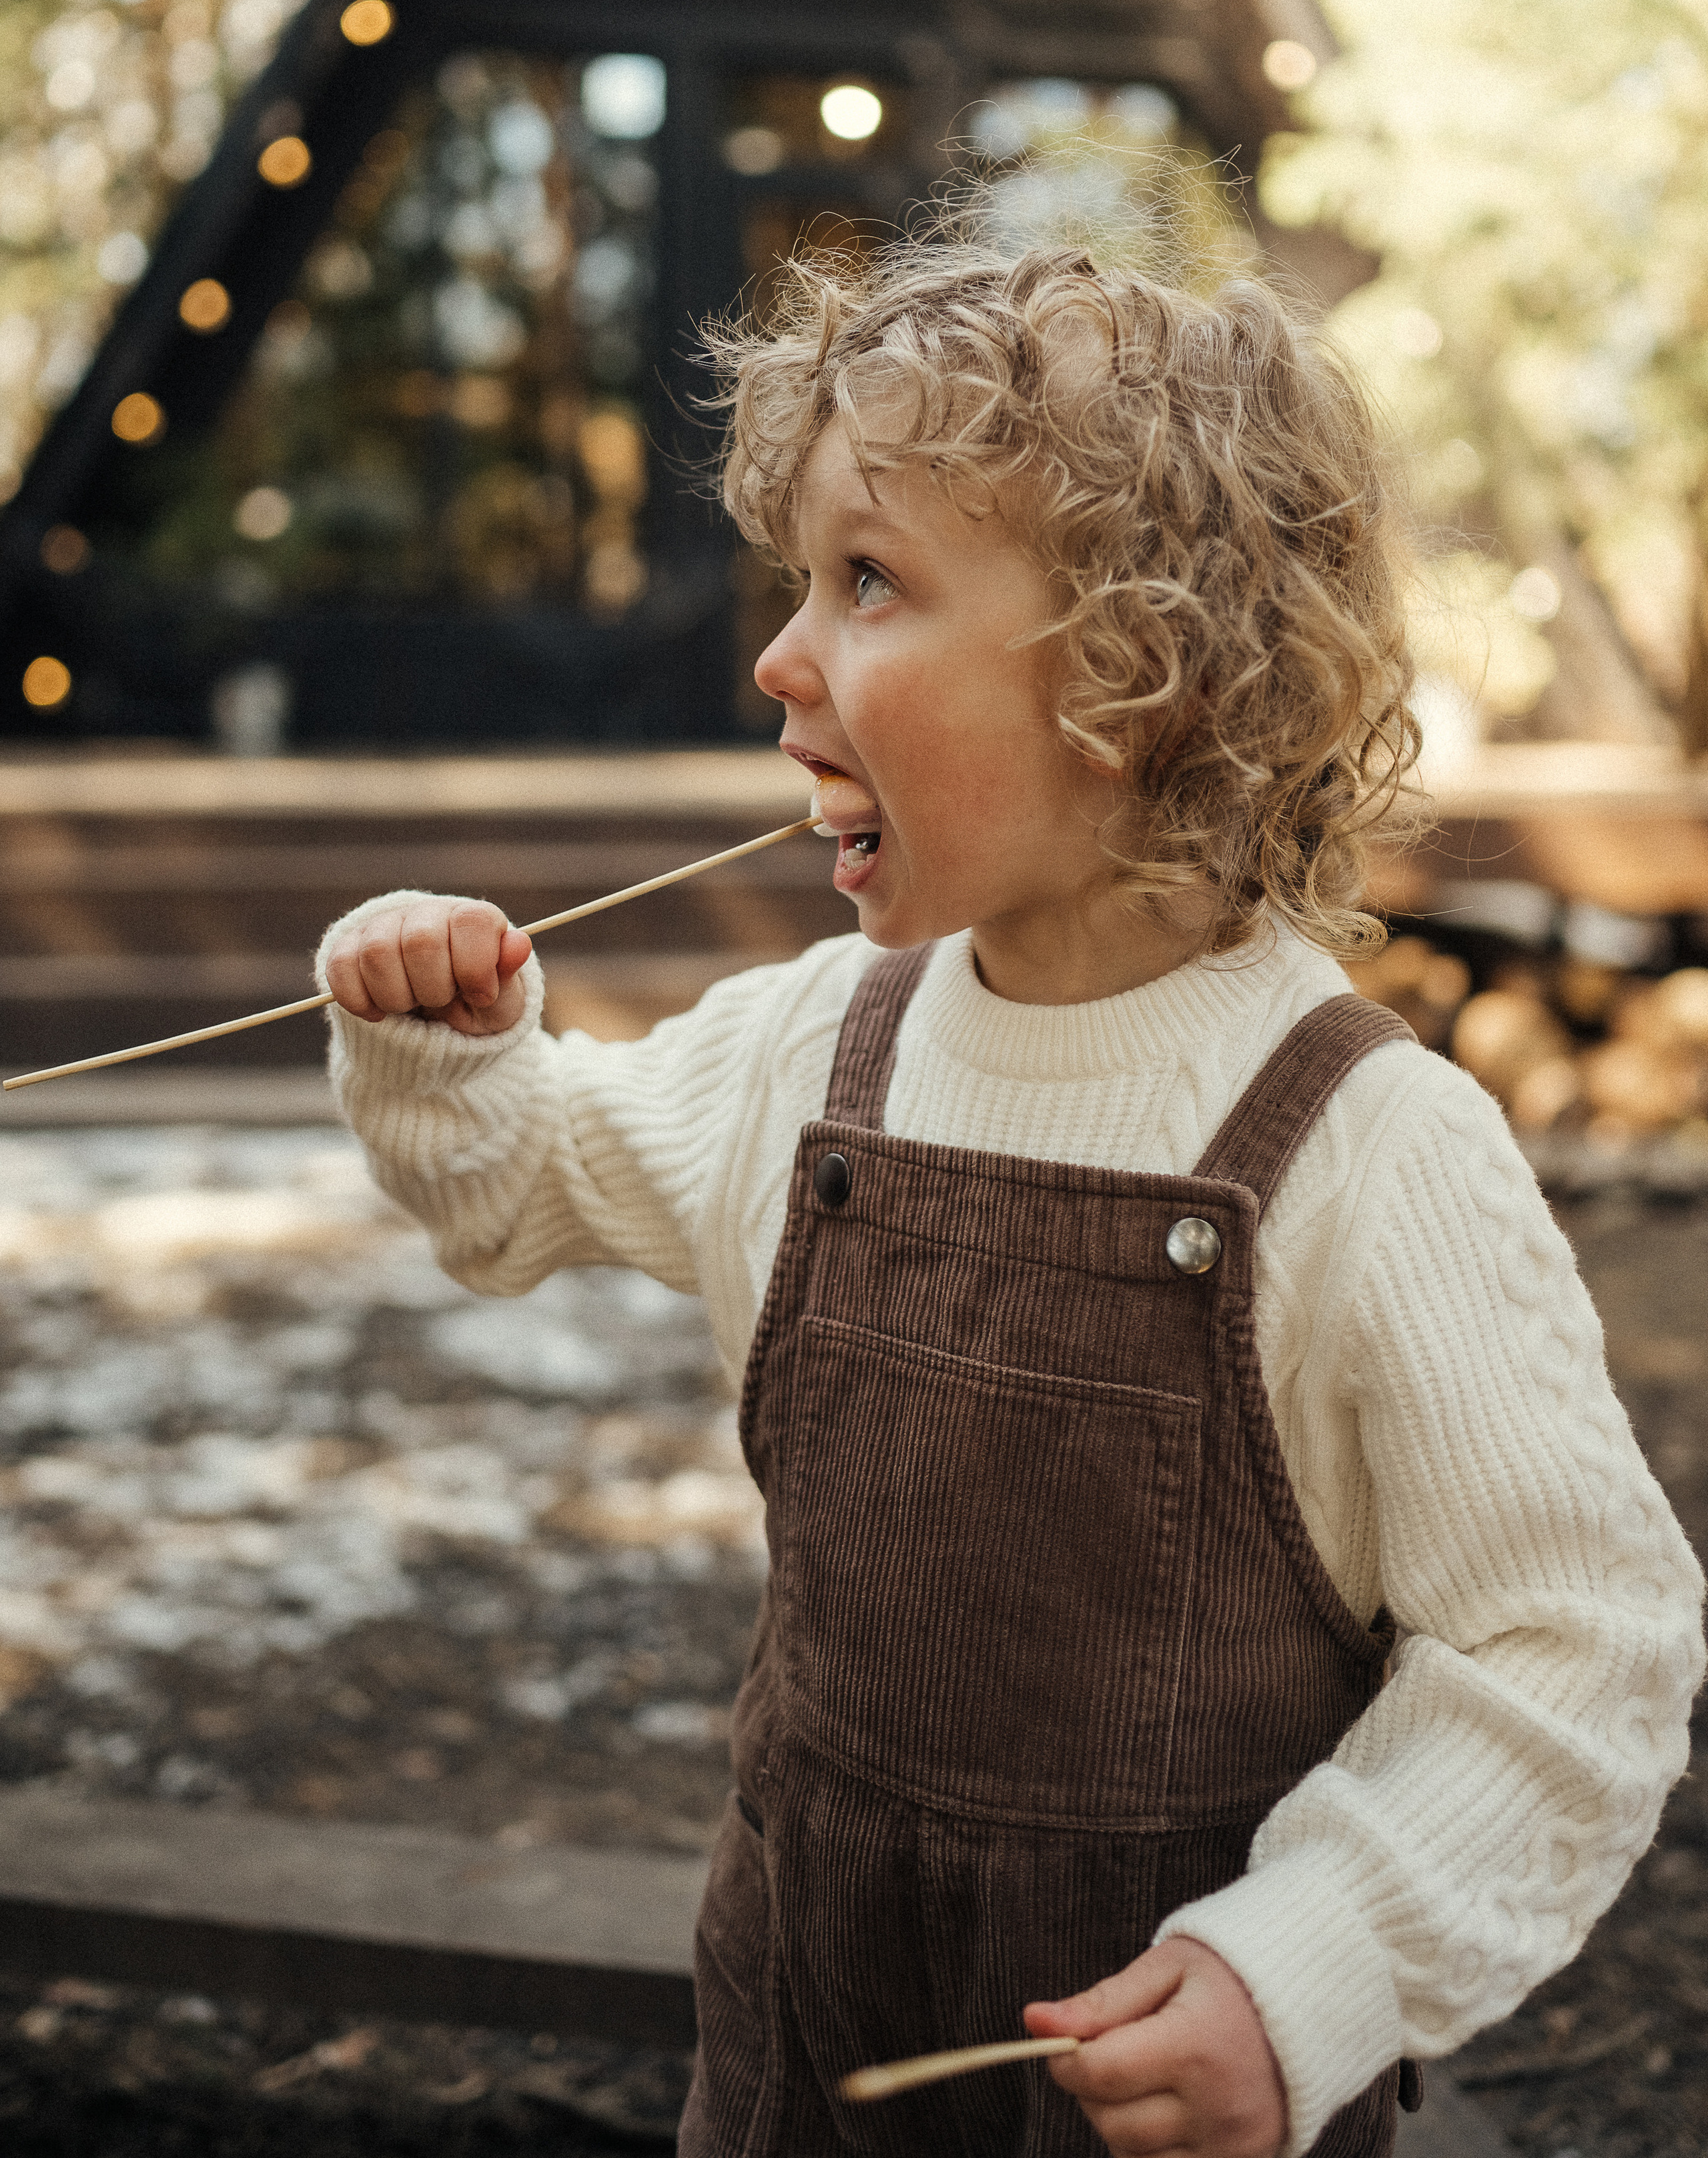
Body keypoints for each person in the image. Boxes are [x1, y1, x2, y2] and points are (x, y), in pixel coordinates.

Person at [318, 242, 1704, 2158]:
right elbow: (524, 1178)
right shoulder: (818, 1053)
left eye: (867, 581)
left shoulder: (1363, 1150)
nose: (779, 657)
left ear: (1133, 675)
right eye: (801, 580)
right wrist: (446, 1047)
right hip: (804, 2041)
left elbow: (1577, 1642)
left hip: (1146, 2100)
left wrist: (1304, 1964)